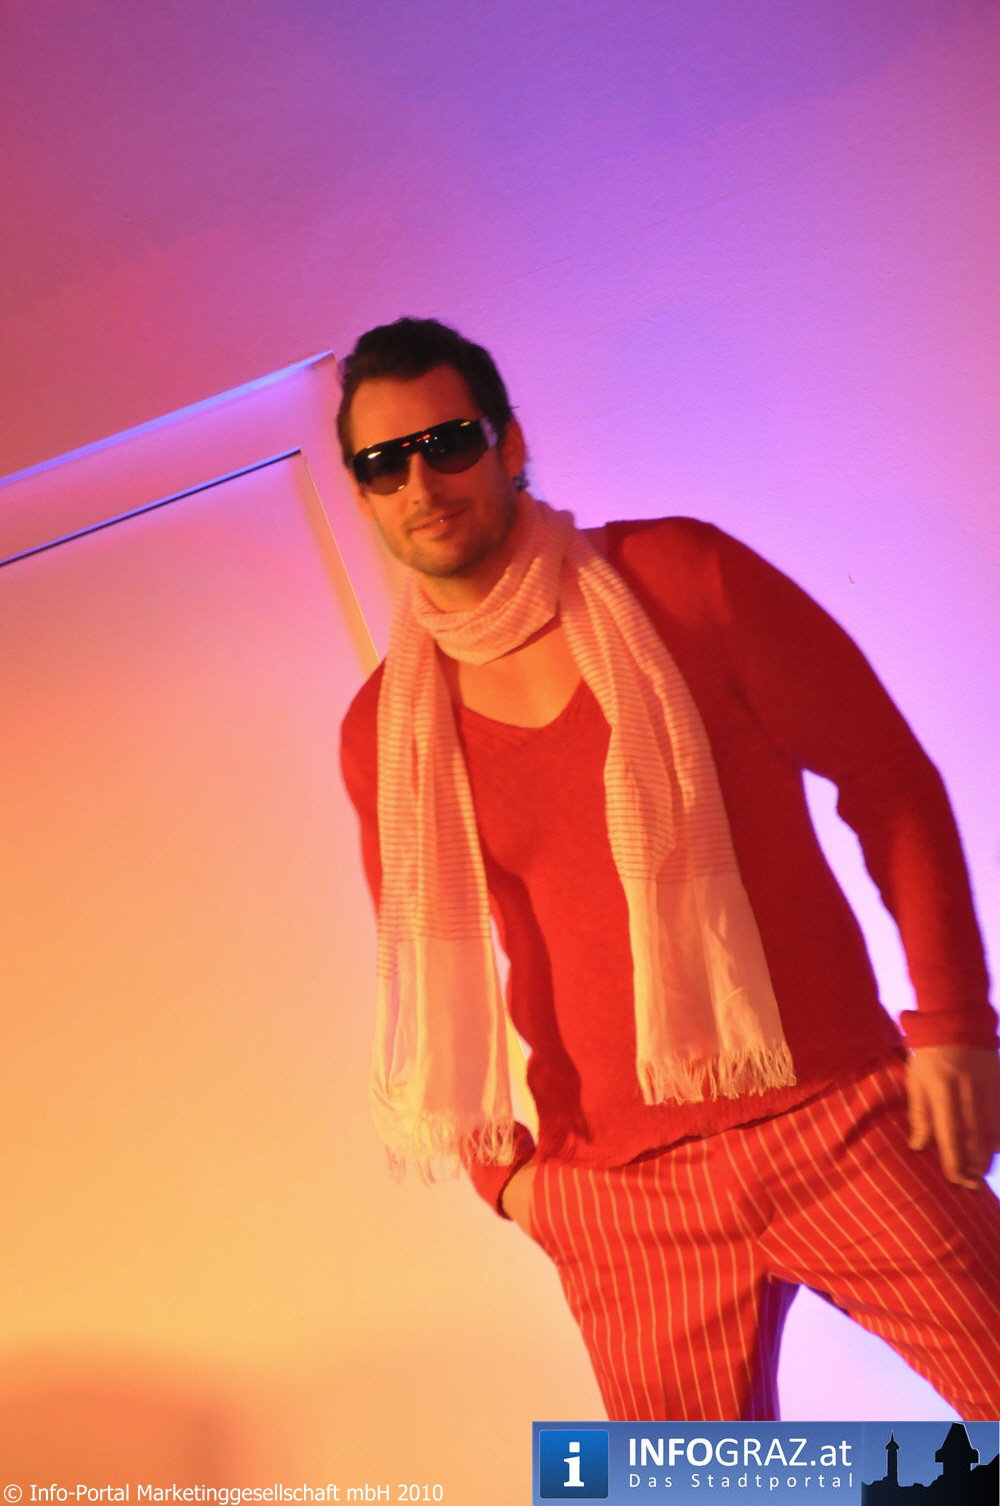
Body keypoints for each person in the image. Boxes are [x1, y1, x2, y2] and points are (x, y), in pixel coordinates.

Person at [338, 316, 1000, 1421]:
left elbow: (885, 777)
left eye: (447, 443)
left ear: (507, 444)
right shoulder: (383, 733)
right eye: (382, 463)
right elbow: (429, 977)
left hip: (835, 1116)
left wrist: (956, 1027)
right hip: (617, 1195)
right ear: (363, 494)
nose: (421, 483)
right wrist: (511, 1182)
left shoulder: (683, 577)